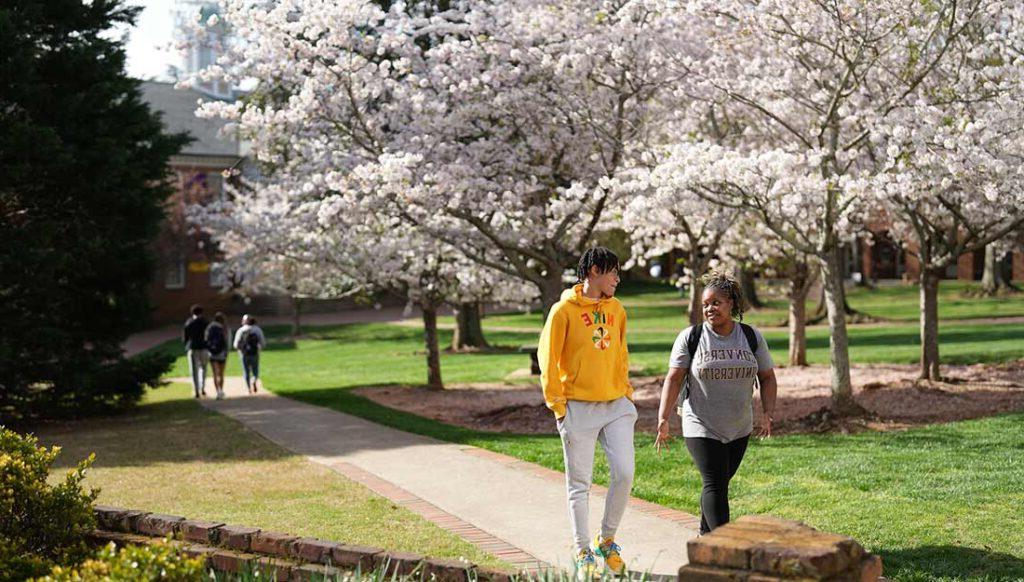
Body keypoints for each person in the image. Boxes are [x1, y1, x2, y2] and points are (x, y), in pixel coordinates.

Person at [654, 270, 778, 536]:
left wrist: (768, 413)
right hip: (700, 423)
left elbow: (767, 377)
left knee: (719, 484)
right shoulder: (692, 337)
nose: (709, 309)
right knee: (714, 484)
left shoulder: (751, 336)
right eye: (705, 305)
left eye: (716, 303)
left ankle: (705, 539)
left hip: (739, 426)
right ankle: (726, 546)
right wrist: (663, 418)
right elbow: (674, 379)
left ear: (731, 303)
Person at [539, 247, 636, 578]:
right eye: (613, 272)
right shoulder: (563, 310)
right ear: (594, 271)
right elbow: (547, 358)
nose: (617, 279)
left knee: (624, 473)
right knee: (580, 483)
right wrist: (558, 406)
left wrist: (626, 391)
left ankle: (606, 540)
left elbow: (620, 352)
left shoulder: (617, 309)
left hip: (616, 405)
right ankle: (583, 552)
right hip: (577, 407)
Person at [182, 304, 210, 398]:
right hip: (204, 347)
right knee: (204, 368)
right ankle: (202, 388)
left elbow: (185, 337)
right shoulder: (205, 322)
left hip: (193, 348)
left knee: (194, 370)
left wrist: (186, 345)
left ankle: (196, 390)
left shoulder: (189, 322)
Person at [233, 314, 266, 394]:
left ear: (244, 321)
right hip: (255, 353)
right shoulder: (257, 330)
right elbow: (263, 343)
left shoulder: (241, 330)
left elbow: (235, 345)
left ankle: (248, 388)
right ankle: (253, 380)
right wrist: (259, 348)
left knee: (246, 371)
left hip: (244, 354)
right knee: (255, 370)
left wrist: (241, 349)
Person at [205, 312, 230, 400]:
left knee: (214, 373)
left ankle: (218, 391)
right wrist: (227, 352)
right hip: (222, 353)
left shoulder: (209, 327)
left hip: (212, 353)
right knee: (221, 373)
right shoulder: (224, 328)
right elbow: (227, 341)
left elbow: (206, 340)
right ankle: (221, 390)